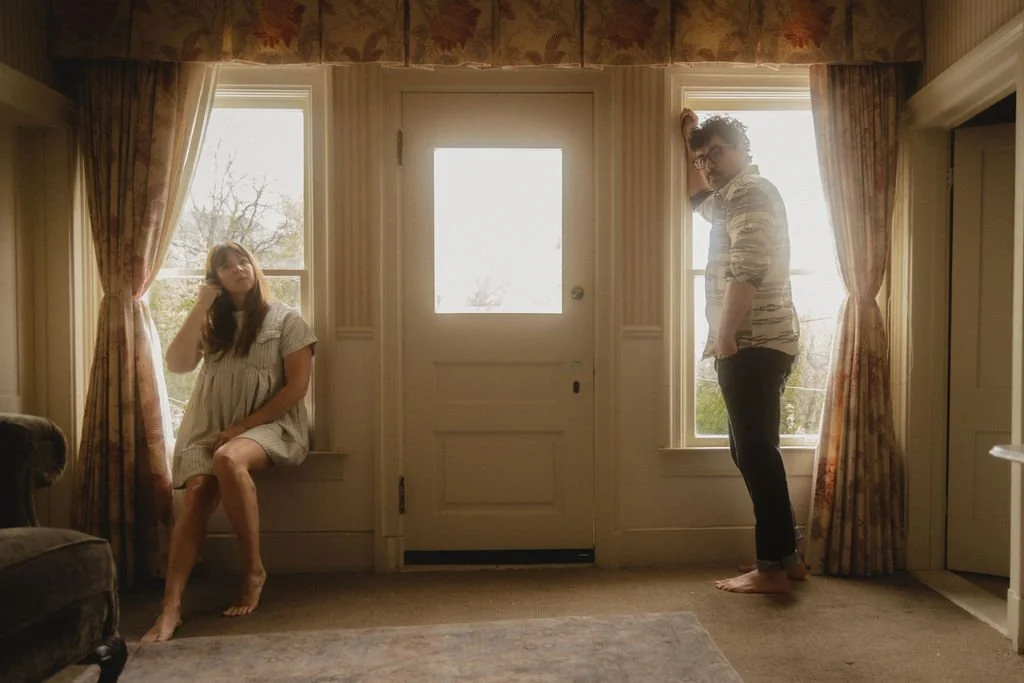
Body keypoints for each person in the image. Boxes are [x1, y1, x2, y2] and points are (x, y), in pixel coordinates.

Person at [143, 241, 317, 641]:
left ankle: (253, 569)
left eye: (243, 261)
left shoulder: (286, 320)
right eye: (226, 266)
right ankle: (170, 608)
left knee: (228, 459)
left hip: (271, 424)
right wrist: (201, 305)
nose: (238, 268)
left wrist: (243, 426)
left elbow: (297, 388)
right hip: (209, 424)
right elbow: (178, 364)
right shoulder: (213, 324)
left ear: (254, 268)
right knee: (199, 490)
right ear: (215, 279)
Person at [680, 109, 805, 594]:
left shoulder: (750, 194)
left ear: (743, 151)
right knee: (755, 450)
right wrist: (685, 144)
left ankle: (771, 569)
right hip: (760, 342)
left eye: (717, 153)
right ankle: (787, 557)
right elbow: (698, 201)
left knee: (753, 453)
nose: (708, 165)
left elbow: (747, 268)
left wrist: (725, 335)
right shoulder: (730, 198)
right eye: (701, 158)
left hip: (752, 341)